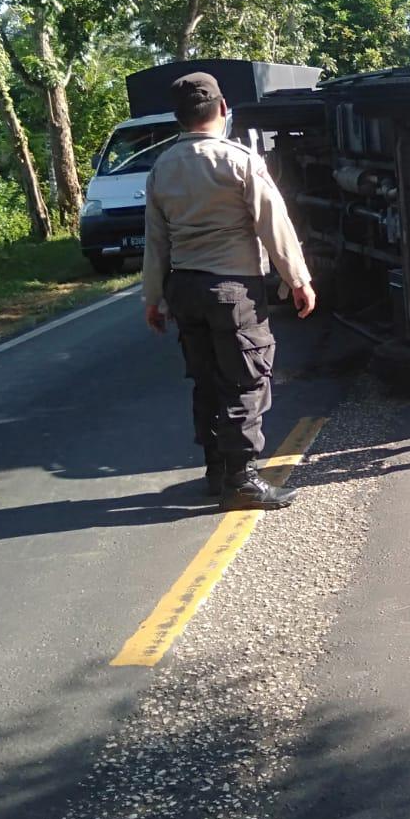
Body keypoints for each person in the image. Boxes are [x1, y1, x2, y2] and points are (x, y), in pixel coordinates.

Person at [142, 72, 318, 511]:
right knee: (244, 380)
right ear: (223, 109)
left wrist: (152, 298)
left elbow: (155, 240)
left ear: (178, 118)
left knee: (206, 379)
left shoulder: (162, 167)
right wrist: (297, 280)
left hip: (184, 287)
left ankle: (216, 469)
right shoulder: (239, 160)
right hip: (233, 287)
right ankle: (241, 478)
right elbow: (272, 223)